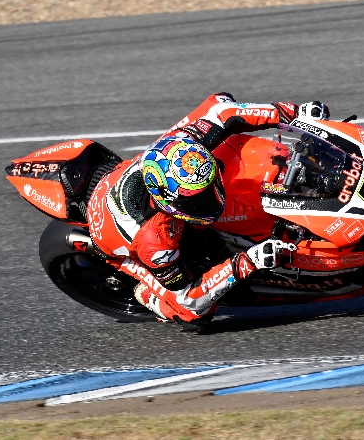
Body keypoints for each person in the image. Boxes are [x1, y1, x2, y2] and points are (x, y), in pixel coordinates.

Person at [86, 93, 330, 331]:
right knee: (194, 315)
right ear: (169, 203)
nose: (211, 199)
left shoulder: (180, 146)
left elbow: (223, 111)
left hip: (122, 179)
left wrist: (293, 113)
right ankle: (143, 293)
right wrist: (247, 262)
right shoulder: (155, 242)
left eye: (210, 188)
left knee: (223, 102)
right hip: (118, 245)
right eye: (199, 200)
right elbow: (189, 295)